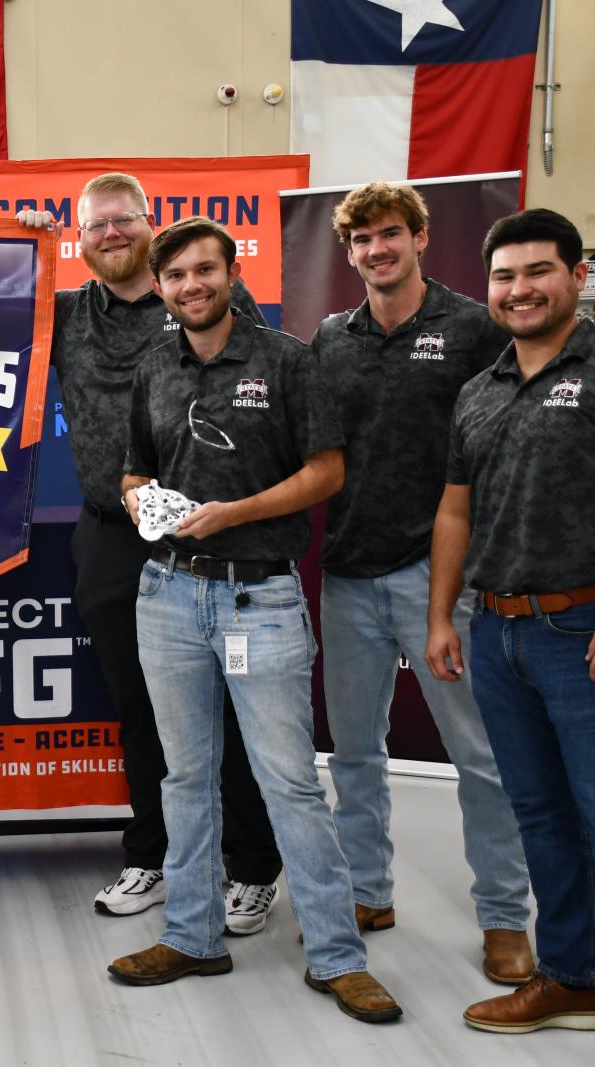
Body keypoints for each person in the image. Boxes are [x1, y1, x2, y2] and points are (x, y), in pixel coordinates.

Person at [110, 218, 400, 1025]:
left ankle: (337, 954)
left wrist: (235, 511)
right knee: (185, 778)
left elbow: (327, 470)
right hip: (167, 595)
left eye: (206, 270)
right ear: (161, 287)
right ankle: (193, 934)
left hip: (259, 598)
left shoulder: (286, 361)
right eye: (176, 275)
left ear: (232, 274)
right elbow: (134, 469)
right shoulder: (153, 369)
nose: (192, 285)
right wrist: (140, 497)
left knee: (289, 783)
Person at [429, 208, 595, 1067]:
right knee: (541, 815)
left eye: (538, 271)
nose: (519, 289)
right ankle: (573, 977)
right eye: (504, 277)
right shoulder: (480, 387)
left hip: (590, 630)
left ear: (577, 277)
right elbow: (456, 510)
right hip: (499, 631)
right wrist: (443, 614)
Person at [15, 173, 283, 930]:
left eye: (122, 221)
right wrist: (22, 248)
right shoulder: (63, 314)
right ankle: (155, 855)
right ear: (81, 237)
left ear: (149, 223)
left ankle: (253, 865)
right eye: (93, 225)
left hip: (216, 545)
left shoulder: (208, 304)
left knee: (231, 704)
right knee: (137, 707)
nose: (109, 235)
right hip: (111, 539)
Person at [313, 181, 534, 979]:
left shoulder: (474, 327)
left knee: (480, 754)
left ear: (420, 238)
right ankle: (367, 890)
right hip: (347, 574)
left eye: (390, 233)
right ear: (349, 253)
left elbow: (509, 443)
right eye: (362, 238)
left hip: (442, 578)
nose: (377, 248)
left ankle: (506, 917)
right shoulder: (330, 338)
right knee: (353, 753)